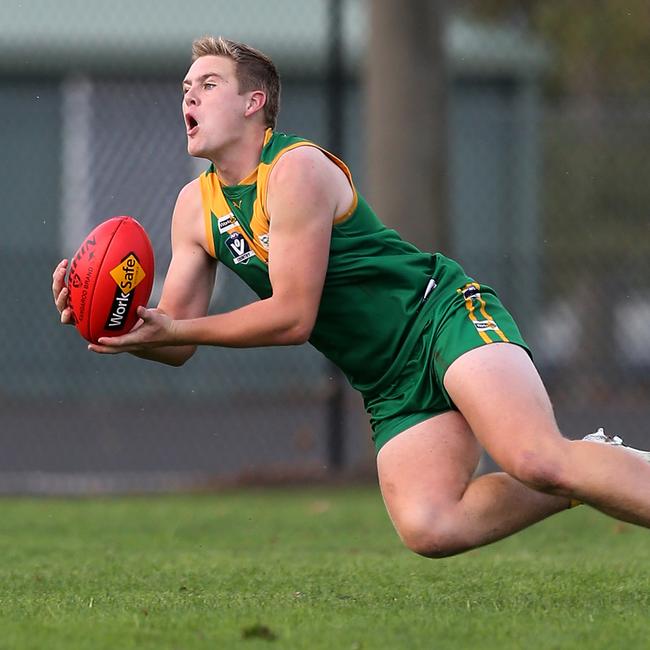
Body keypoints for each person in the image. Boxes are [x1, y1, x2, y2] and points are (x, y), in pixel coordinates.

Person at [52, 36, 650, 558]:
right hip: (387, 379)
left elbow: (291, 317)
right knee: (431, 526)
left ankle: (573, 466)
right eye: (186, 88)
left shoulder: (295, 169)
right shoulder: (194, 207)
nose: (189, 98)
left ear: (253, 103)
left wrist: (173, 330)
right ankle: (593, 466)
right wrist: (108, 318)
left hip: (440, 318)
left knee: (533, 458)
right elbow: (176, 335)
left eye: (208, 85)